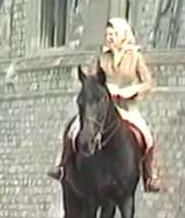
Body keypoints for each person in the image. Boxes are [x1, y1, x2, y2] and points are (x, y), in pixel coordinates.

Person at [48, 17, 162, 193]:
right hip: (102, 108)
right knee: (73, 130)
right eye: (108, 34)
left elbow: (148, 83)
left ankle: (149, 176)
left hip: (126, 107)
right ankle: (61, 166)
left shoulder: (135, 57)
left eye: (113, 34)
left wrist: (129, 90)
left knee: (148, 138)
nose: (109, 37)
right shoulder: (102, 57)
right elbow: (93, 80)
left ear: (123, 35)